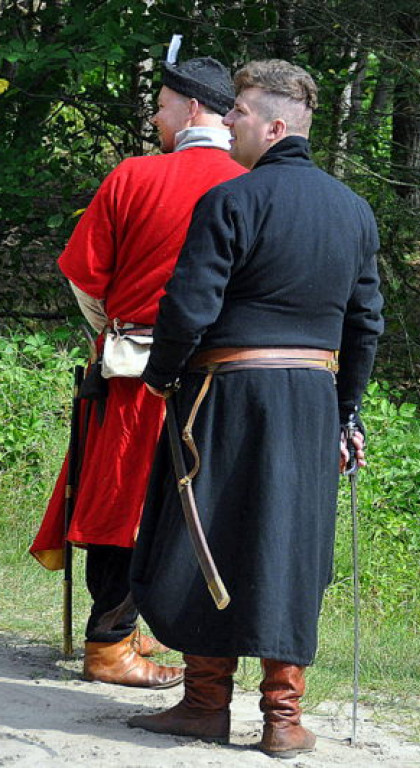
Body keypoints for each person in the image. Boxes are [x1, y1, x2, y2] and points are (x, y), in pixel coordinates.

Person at [126, 59, 384, 759]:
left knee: (203, 534)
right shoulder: (353, 210)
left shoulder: (233, 201)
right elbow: (365, 327)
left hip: (224, 395)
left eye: (238, 111)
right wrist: (345, 413)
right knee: (287, 545)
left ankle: (210, 703)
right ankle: (280, 719)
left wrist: (160, 378)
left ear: (274, 126)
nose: (228, 120)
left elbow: (190, 307)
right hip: (308, 404)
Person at [29, 49, 245, 688]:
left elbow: (83, 274)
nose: (154, 117)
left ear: (192, 108)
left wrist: (113, 334)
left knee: (120, 506)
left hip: (135, 373)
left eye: (161, 105)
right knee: (190, 506)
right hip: (215, 376)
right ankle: (115, 640)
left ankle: (110, 642)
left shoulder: (134, 176)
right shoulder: (246, 181)